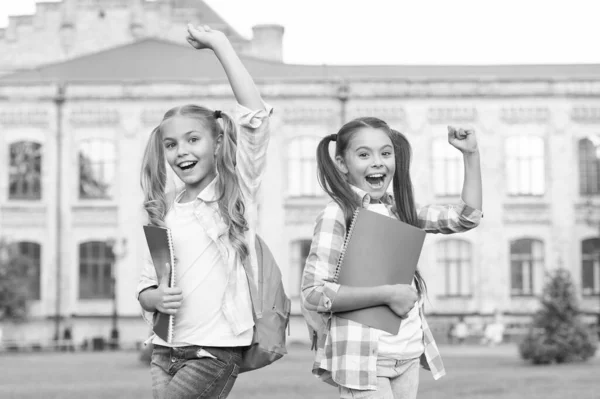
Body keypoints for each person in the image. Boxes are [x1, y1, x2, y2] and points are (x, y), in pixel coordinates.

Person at [136, 23, 272, 399]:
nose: (182, 151)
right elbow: (146, 284)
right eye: (171, 144)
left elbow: (256, 118)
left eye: (193, 139)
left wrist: (220, 45)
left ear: (216, 142)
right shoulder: (163, 211)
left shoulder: (235, 191)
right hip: (166, 349)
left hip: (215, 350)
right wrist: (154, 298)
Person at [301, 118, 483, 399]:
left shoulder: (401, 210)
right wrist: (388, 294)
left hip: (408, 354)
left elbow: (465, 217)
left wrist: (470, 154)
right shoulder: (336, 214)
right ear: (341, 163)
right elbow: (313, 294)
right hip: (364, 361)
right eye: (364, 155)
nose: (377, 162)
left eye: (385, 153)